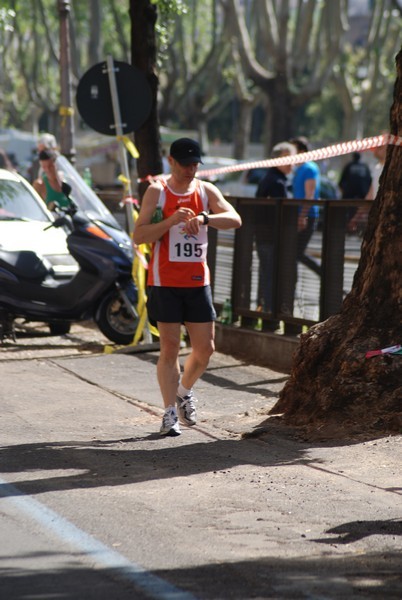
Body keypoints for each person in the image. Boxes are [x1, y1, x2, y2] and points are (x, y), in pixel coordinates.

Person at [133, 138, 242, 437]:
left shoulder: (205, 191)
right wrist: (169, 222)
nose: (191, 170)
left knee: (205, 350)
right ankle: (169, 412)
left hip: (197, 281)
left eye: (195, 164)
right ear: (171, 161)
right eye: (185, 164)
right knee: (169, 347)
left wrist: (206, 218)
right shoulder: (157, 191)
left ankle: (183, 392)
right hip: (165, 281)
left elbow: (235, 219)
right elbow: (139, 235)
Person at [254, 141, 296, 319]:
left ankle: (265, 311)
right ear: (276, 159)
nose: (291, 163)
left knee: (267, 274)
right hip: (270, 237)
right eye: (287, 158)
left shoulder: (272, 178)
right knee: (271, 275)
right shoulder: (276, 182)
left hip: (266, 237)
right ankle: (269, 314)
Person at [290, 136, 321, 277]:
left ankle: (325, 274)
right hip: (300, 215)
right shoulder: (299, 169)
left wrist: (302, 216)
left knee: (296, 253)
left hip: (308, 216)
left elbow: (310, 195)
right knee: (294, 254)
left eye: (293, 150)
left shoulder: (309, 168)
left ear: (301, 151)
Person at [338, 152, 372, 228]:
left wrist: (345, 193)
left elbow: (341, 183)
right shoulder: (365, 167)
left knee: (348, 215)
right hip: (362, 198)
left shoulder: (348, 166)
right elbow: (370, 182)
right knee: (361, 216)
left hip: (349, 198)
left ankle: (349, 227)